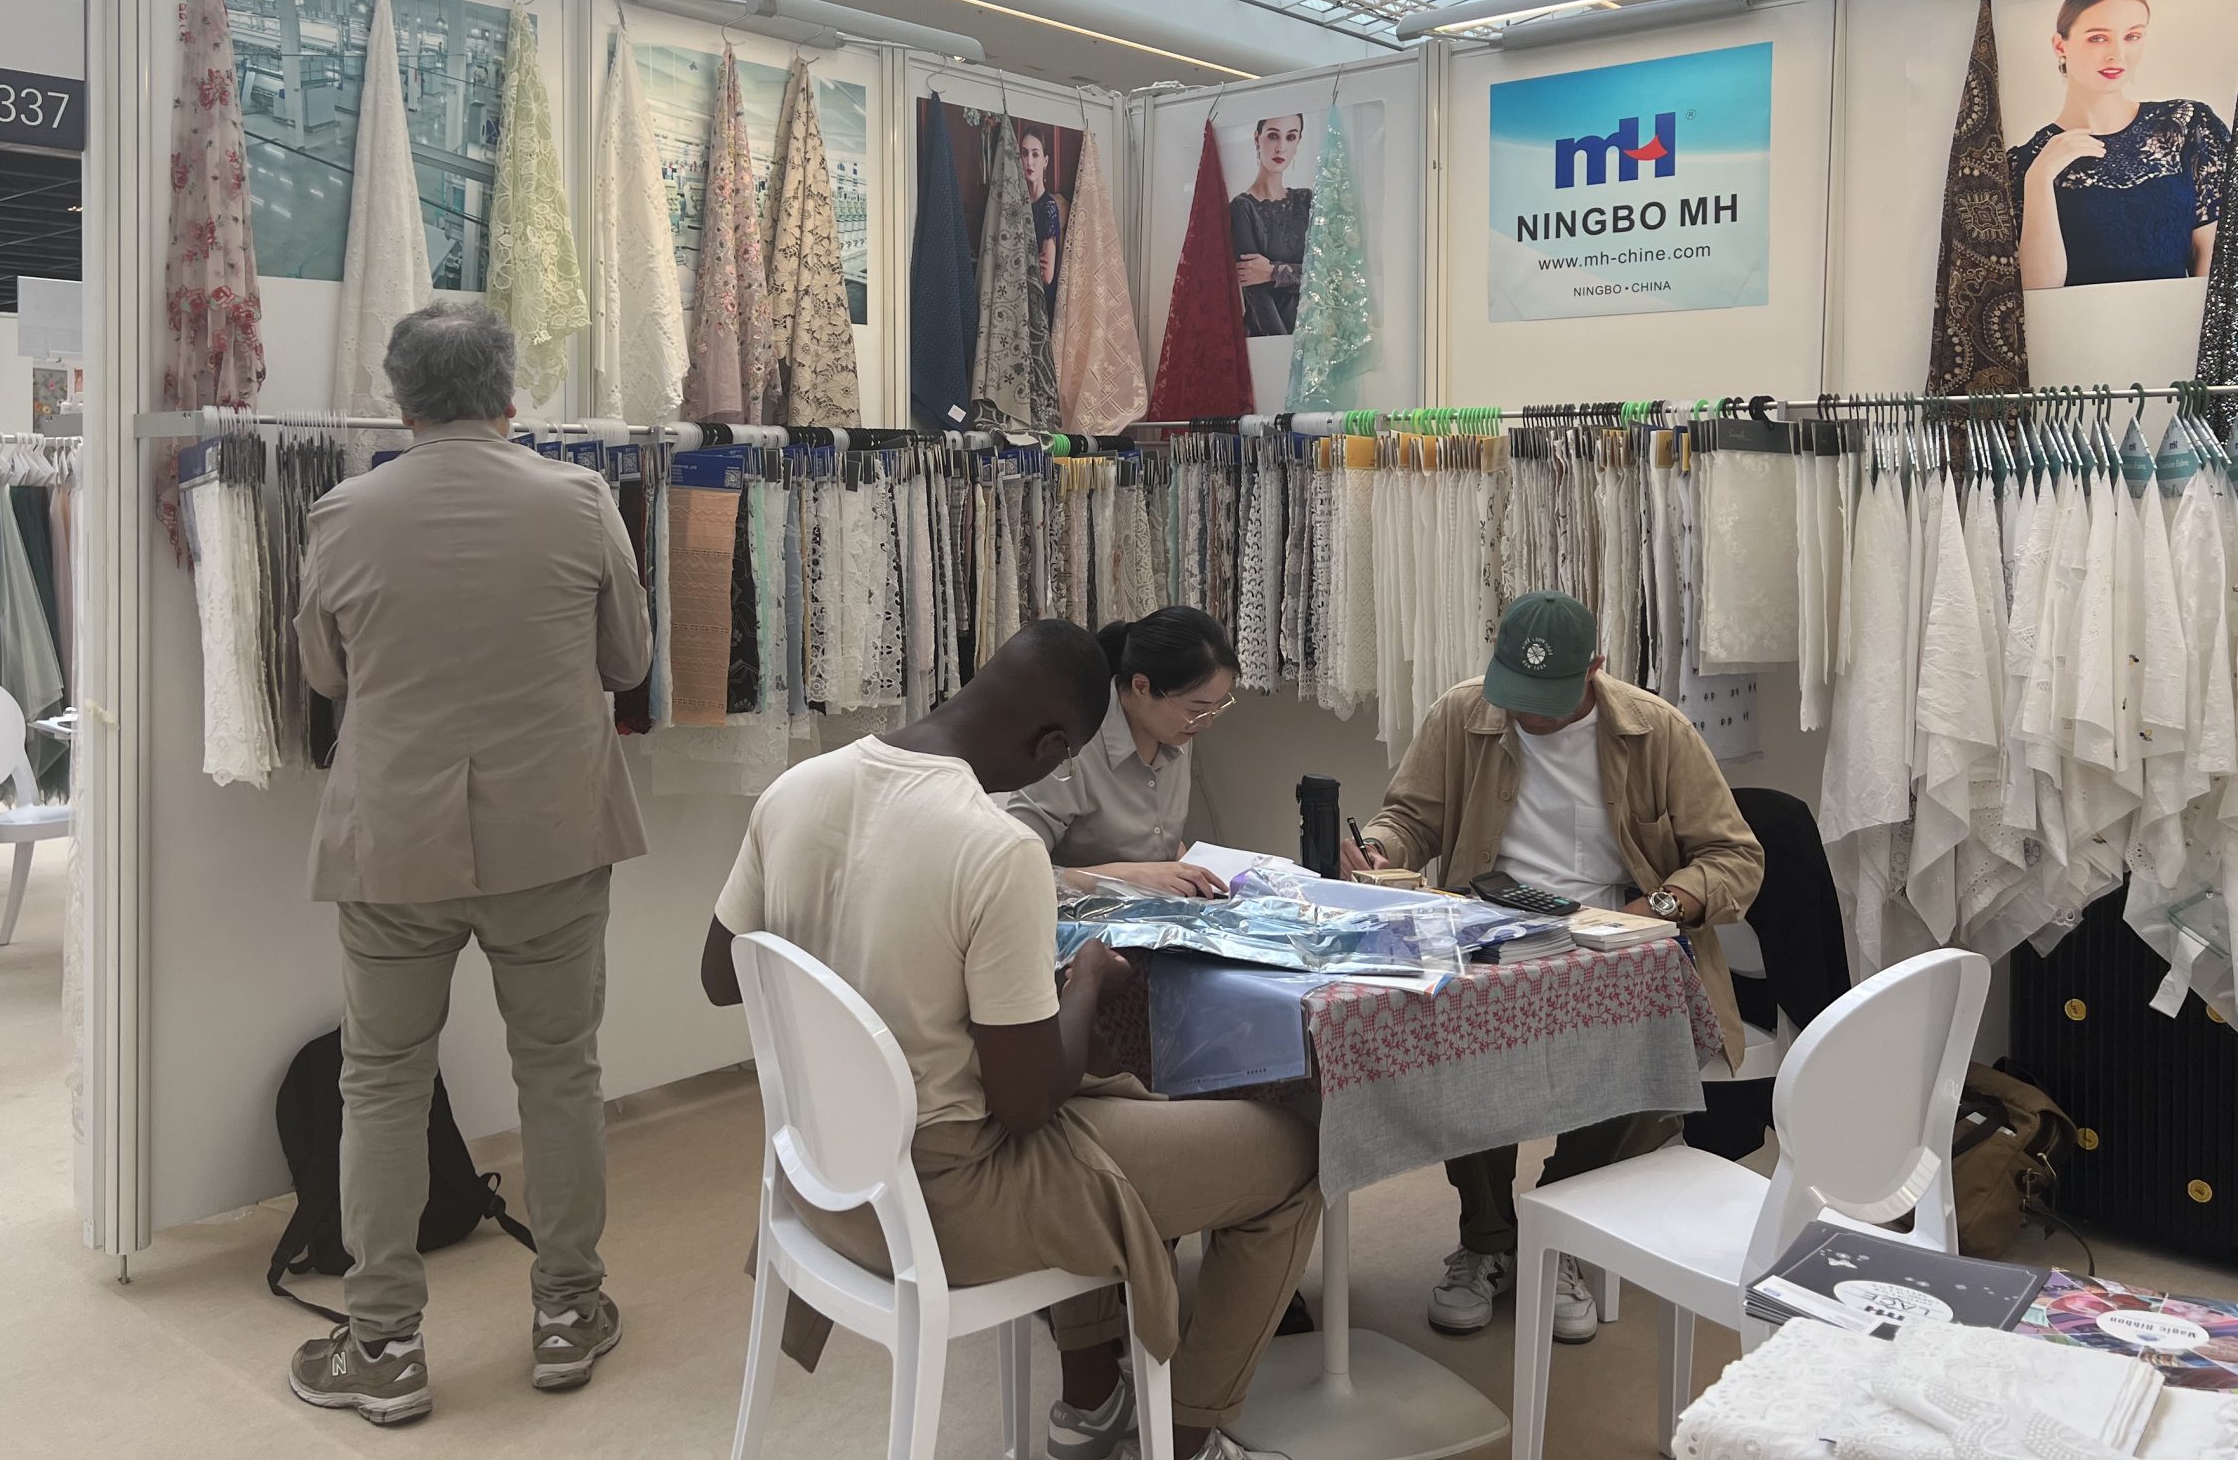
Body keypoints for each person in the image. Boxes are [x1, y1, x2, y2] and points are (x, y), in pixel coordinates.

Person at [702, 621, 1319, 1460]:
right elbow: (1027, 1106)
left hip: (823, 1178)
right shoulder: (995, 849)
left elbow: (721, 972)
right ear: (1052, 745)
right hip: (944, 1196)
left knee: (1111, 1100)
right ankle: (1187, 1437)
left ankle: (1091, 1401)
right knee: (1293, 1156)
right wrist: (1087, 983)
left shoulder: (795, 789)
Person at [286, 302, 652, 1426]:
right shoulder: (579, 500)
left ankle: (384, 1344)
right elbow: (628, 659)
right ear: (509, 396)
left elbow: (325, 674)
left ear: (400, 403)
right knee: (561, 1073)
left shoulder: (343, 514)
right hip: (552, 833)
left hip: (394, 841)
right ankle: (568, 1312)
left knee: (380, 1084)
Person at [1339, 590, 1764, 1346]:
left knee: (1648, 1053)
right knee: (1456, 1041)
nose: (1527, 715)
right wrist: (1379, 851)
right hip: (1487, 928)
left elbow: (1734, 857)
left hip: (1613, 940)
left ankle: (1558, 1229)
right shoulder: (1462, 713)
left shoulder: (1656, 730)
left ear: (1595, 669)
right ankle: (1488, 1239)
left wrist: (1656, 909)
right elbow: (1409, 817)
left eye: (1547, 701)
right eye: (1515, 695)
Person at [1003, 607, 1239, 898]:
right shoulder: (1072, 744)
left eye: (1217, 707)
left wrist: (1184, 868)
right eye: (1196, 710)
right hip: (1077, 920)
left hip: (1157, 914)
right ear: (1142, 686)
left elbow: (1151, 841)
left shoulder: (1176, 733)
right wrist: (1124, 877)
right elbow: (1011, 872)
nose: (1207, 723)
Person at [2010, 0, 2228, 289]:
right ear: (2060, 45)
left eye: (2132, 36)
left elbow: (2215, 265)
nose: (2117, 54)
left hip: (2179, 318)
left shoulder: (2188, 125)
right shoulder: (2023, 163)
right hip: (2077, 321)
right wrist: (2039, 178)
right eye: (2098, 38)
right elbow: (2039, 293)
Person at [1229, 113, 1311, 336]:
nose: (1281, 148)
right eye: (1273, 136)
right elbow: (1257, 294)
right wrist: (1284, 345)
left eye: (1290, 137)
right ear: (1257, 138)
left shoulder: (1307, 201)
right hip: (1267, 338)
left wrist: (1273, 272)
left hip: (1314, 336)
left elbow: (1327, 276)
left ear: (1298, 142)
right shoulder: (1242, 208)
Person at [1022, 124, 1066, 319]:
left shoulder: (1048, 207)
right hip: (1021, 300)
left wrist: (1021, 261)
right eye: (1024, 154)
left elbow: (1046, 276)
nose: (1029, 161)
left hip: (1041, 305)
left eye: (1035, 154)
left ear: (1045, 161)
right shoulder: (1019, 204)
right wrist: (1031, 260)